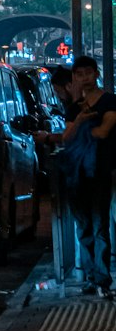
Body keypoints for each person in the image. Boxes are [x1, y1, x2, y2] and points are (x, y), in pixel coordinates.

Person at [66, 56, 116, 298]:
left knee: (100, 227)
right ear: (74, 77)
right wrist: (79, 122)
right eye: (79, 74)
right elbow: (66, 137)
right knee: (84, 227)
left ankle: (103, 279)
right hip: (78, 175)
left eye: (88, 73)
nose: (84, 77)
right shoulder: (74, 108)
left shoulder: (110, 101)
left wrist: (85, 128)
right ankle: (90, 277)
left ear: (96, 74)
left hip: (101, 173)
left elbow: (104, 131)